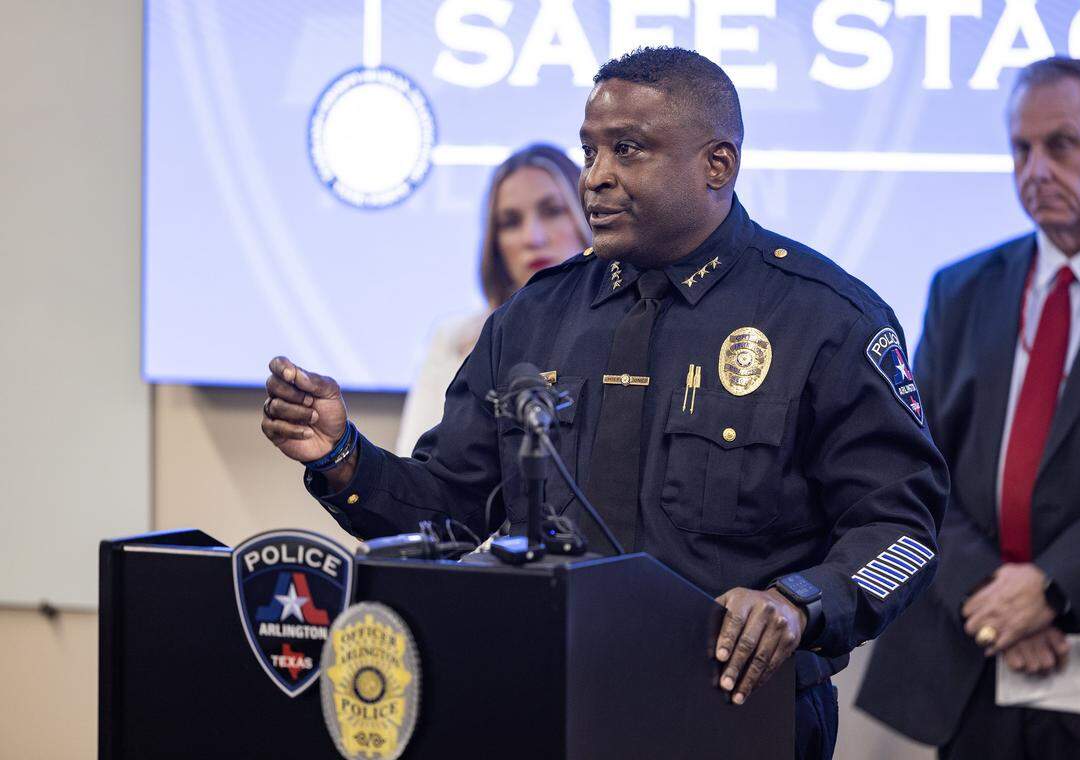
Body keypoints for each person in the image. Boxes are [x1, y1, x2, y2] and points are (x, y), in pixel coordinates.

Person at [262, 47, 948, 759]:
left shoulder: (825, 318)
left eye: (628, 149)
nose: (595, 177)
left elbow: (903, 529)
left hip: (735, 715)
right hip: (547, 708)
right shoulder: (535, 316)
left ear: (717, 165)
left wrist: (799, 602)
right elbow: (450, 507)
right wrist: (343, 459)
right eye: (589, 151)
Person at [857, 57, 1080, 759]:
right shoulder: (962, 289)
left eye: (1061, 145)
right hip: (973, 654)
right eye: (1021, 149)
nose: (1036, 170)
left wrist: (1052, 587)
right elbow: (910, 466)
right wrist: (991, 591)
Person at [395, 144, 590, 457]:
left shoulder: (627, 325)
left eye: (552, 211)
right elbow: (417, 466)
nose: (533, 237)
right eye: (511, 222)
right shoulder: (456, 340)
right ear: (495, 245)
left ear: (589, 216)